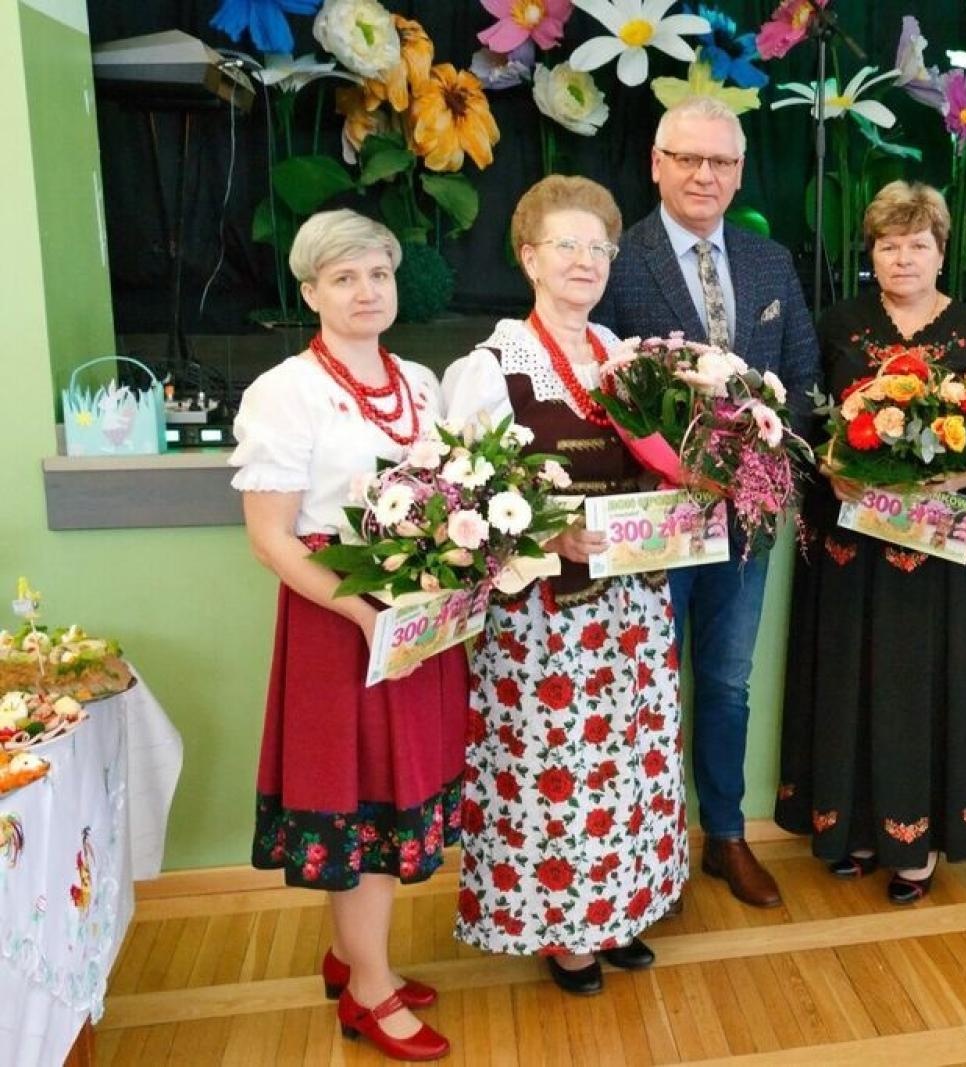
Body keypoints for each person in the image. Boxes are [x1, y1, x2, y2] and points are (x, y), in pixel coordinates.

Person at [442, 176, 686, 995]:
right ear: (528, 258)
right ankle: (563, 929)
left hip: (632, 603)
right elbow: (459, 504)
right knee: (558, 768)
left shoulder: (624, 356)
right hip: (542, 618)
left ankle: (615, 912)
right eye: (567, 245)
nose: (585, 260)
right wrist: (547, 535)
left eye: (599, 247)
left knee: (629, 765)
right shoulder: (490, 368)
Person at [230, 209, 465, 1061]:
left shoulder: (422, 383)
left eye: (379, 274)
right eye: (344, 278)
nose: (367, 291)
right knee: (360, 805)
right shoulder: (285, 391)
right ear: (310, 293)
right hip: (343, 625)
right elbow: (271, 539)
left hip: (414, 620)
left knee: (396, 799)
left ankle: (352, 954)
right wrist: (365, 613)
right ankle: (369, 990)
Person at [593, 96, 819, 909]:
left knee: (726, 682)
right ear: (656, 163)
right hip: (652, 523)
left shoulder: (768, 262)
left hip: (745, 523)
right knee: (646, 681)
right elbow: (601, 396)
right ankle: (645, 850)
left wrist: (757, 454)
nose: (704, 175)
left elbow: (802, 375)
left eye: (721, 162)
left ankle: (724, 835)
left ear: (740, 172)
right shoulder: (617, 261)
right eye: (688, 158)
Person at [775, 182, 966, 904]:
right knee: (850, 678)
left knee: (922, 685)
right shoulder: (838, 324)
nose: (902, 257)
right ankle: (848, 827)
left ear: (942, 251)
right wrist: (833, 467)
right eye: (887, 244)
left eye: (917, 244)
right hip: (852, 547)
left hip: (939, 556)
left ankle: (918, 845)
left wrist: (965, 467)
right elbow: (803, 419)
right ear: (870, 253)